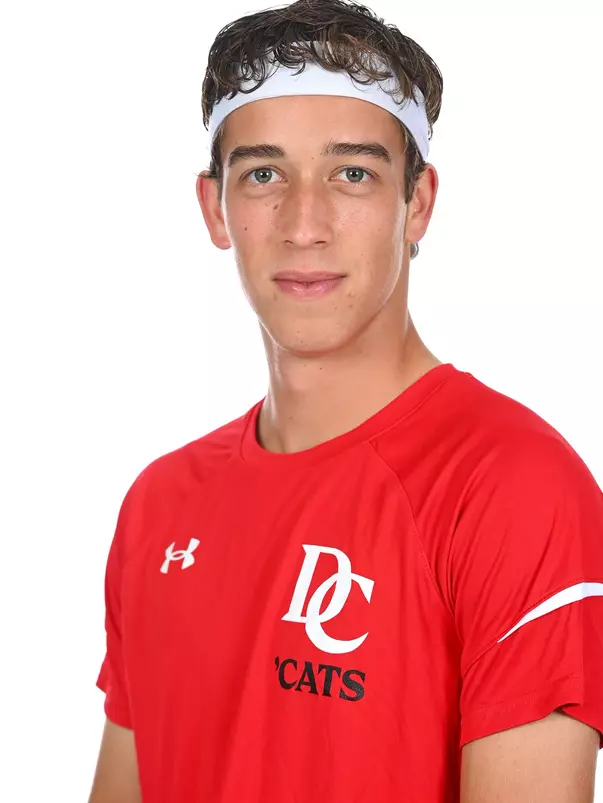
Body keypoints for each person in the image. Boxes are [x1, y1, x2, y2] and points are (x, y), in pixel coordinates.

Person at [88, 1, 603, 801]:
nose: (305, 224)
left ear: (417, 203)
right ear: (215, 208)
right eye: (263, 174)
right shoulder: (159, 504)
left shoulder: (513, 489)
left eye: (352, 173)